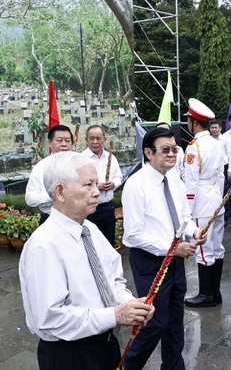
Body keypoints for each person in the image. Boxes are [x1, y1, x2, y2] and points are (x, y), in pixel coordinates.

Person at [19, 151, 154, 370]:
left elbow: (112, 280)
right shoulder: (44, 245)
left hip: (105, 343)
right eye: (88, 185)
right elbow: (52, 318)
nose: (96, 193)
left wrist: (129, 304)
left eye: (97, 184)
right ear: (61, 191)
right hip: (70, 354)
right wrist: (116, 315)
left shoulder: (89, 229)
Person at [121, 127, 205, 370]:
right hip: (150, 262)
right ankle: (129, 365)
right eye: (165, 150)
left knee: (175, 319)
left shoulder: (174, 179)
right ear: (148, 152)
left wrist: (194, 231)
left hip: (175, 261)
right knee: (154, 321)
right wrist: (171, 249)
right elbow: (133, 236)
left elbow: (184, 217)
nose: (172, 154)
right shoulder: (136, 185)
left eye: (174, 149)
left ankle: (173, 365)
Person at [184, 99, 226, 307]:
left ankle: (206, 295)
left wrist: (187, 212)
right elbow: (220, 176)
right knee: (216, 248)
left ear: (193, 122)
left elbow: (190, 183)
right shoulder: (217, 143)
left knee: (203, 250)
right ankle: (215, 293)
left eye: (188, 120)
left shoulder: (194, 148)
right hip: (216, 200)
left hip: (201, 203)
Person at [82, 125, 122, 246]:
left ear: (104, 139)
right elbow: (78, 183)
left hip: (108, 207)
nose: (95, 142)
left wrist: (113, 183)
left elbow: (119, 176)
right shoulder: (81, 159)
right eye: (91, 138)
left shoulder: (111, 157)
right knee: (91, 243)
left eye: (98, 138)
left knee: (108, 242)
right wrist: (94, 186)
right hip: (89, 209)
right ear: (86, 140)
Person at [25, 125, 74, 224]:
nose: (64, 144)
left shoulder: (80, 164)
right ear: (50, 143)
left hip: (77, 219)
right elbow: (30, 198)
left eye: (67, 141)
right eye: (59, 140)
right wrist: (54, 196)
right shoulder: (41, 167)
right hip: (50, 219)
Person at [210, 118, 231, 195]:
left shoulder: (225, 139)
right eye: (212, 128)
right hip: (212, 168)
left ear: (220, 128)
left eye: (216, 128)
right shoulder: (208, 140)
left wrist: (230, 170)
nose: (214, 129)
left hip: (224, 168)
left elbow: (230, 154)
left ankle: (227, 207)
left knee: (225, 190)